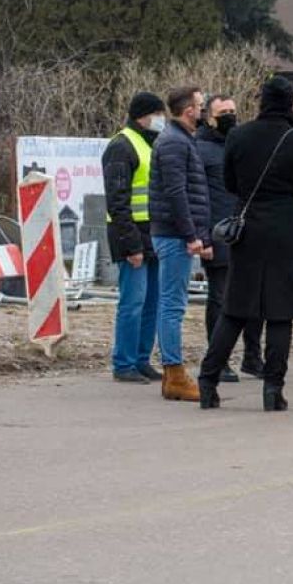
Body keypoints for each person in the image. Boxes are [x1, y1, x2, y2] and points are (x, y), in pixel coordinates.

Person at [199, 77, 293, 411]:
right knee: (281, 314)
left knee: (236, 308)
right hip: (287, 232)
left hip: (248, 229)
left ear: (261, 101)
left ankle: (208, 381)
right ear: (290, 103)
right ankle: (272, 389)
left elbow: (230, 182)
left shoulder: (238, 135)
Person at [149, 85, 210, 403]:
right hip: (174, 235)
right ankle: (174, 373)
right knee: (173, 305)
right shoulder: (174, 142)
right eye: (200, 105)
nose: (203, 110)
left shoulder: (181, 139)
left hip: (174, 233)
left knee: (171, 303)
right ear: (189, 110)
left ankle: (172, 374)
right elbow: (176, 192)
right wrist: (191, 235)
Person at [196, 93, 263, 383]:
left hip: (248, 233)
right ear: (209, 116)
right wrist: (203, 237)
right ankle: (218, 359)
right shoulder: (199, 148)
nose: (230, 116)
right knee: (221, 300)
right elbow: (198, 198)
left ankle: (252, 356)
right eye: (223, 111)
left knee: (256, 299)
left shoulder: (244, 144)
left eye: (233, 110)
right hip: (218, 234)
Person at [102, 92, 166, 384]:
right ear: (144, 115)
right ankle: (124, 363)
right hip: (131, 235)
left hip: (151, 232)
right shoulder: (121, 146)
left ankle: (141, 360)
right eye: (158, 114)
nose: (161, 119)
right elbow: (117, 202)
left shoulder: (147, 143)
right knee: (133, 302)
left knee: (151, 301)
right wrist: (131, 245)